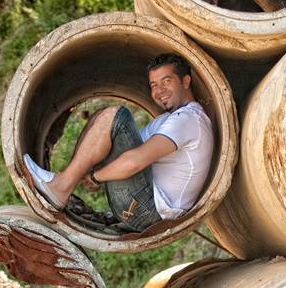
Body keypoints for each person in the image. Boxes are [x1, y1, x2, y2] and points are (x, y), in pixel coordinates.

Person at [23, 53, 214, 232]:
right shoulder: (169, 119)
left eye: (167, 81)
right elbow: (113, 143)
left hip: (149, 211)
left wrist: (96, 176)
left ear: (186, 81)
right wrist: (88, 170)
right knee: (106, 120)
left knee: (113, 116)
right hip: (141, 204)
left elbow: (133, 162)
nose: (159, 90)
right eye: (153, 84)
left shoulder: (189, 119)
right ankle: (62, 183)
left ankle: (60, 187)